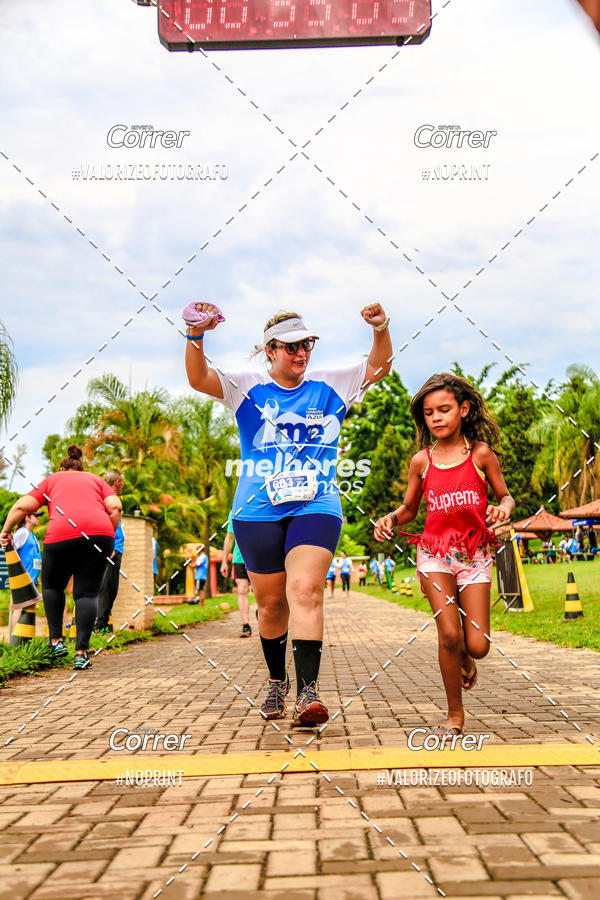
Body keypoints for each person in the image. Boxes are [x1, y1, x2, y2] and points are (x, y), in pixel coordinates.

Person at [184, 300, 392, 726]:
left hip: (316, 506)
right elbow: (198, 377)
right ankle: (277, 682)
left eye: (307, 345)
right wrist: (195, 335)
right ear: (270, 350)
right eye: (291, 346)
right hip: (256, 511)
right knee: (272, 604)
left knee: (305, 592)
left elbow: (379, 366)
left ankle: (308, 693)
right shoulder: (246, 385)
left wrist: (381, 328)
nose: (301, 354)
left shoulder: (330, 384)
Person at [374, 373, 514, 735]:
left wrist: (504, 509)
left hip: (475, 555)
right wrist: (389, 518)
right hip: (434, 555)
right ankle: (455, 715)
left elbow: (505, 496)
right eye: (429, 412)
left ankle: (468, 658)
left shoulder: (480, 454)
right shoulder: (422, 461)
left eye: (444, 410)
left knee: (477, 645)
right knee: (449, 635)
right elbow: (409, 509)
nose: (436, 417)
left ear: (463, 410)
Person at [0, 445, 121, 669]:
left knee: (53, 587)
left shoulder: (52, 480)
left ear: (61, 467)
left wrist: (6, 531)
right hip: (99, 536)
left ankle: (56, 642)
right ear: (81, 467)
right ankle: (81, 654)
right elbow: (115, 507)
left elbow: (20, 507)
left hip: (61, 536)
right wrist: (108, 534)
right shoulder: (96, 480)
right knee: (87, 594)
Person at [95, 470, 125, 633]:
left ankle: (103, 623)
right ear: (118, 482)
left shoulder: (110, 499)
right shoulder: (105, 500)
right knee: (106, 588)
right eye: (122, 484)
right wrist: (109, 546)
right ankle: (100, 626)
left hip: (115, 549)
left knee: (111, 589)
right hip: (110, 550)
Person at [10, 510, 42, 635]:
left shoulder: (31, 534)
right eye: (36, 516)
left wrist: (36, 576)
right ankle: (15, 640)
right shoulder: (22, 533)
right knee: (19, 608)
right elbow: (10, 551)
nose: (38, 518)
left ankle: (24, 639)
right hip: (22, 580)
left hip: (31, 579)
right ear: (27, 518)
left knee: (28, 609)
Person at [221, 509, 252, 637]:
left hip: (258, 556)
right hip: (239, 558)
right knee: (242, 590)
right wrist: (224, 561)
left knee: (261, 591)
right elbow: (229, 538)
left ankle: (262, 617)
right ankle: (246, 624)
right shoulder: (234, 511)